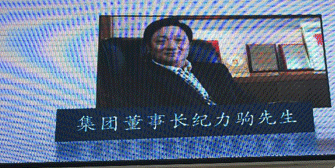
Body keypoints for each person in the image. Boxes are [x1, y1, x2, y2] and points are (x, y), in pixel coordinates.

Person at [101, 17, 250, 108]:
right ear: (148, 48)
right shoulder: (138, 80)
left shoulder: (216, 70)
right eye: (161, 41)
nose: (172, 46)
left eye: (179, 40)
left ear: (189, 45)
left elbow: (247, 102)